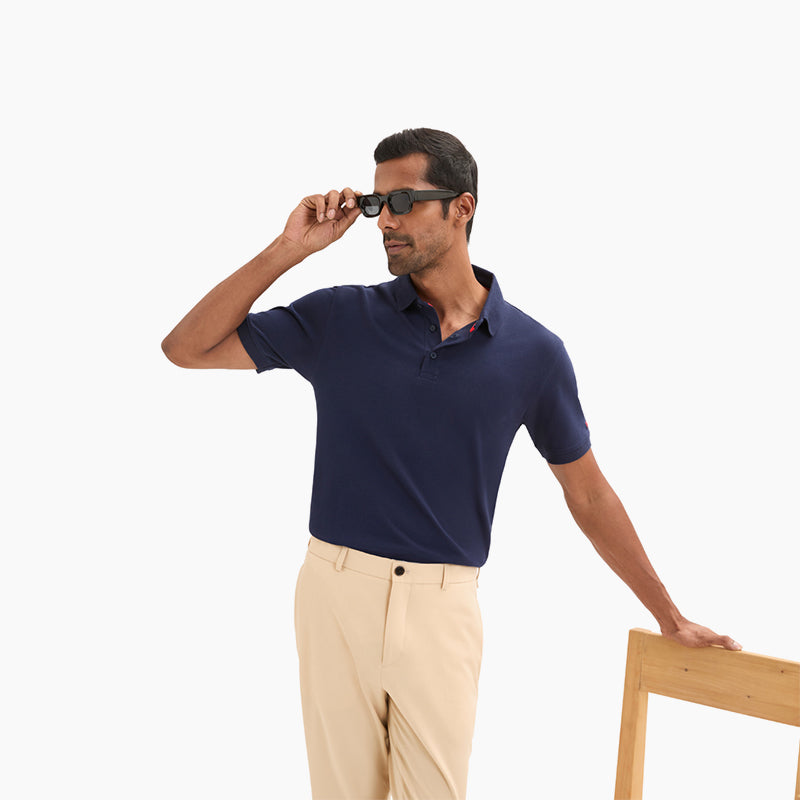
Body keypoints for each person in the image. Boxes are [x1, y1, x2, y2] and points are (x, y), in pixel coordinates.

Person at [161, 128, 741, 800]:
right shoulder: (340, 317)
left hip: (442, 610)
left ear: (462, 207)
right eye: (377, 204)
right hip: (333, 594)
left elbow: (588, 495)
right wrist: (289, 249)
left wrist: (668, 614)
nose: (386, 220)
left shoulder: (533, 352)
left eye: (404, 201)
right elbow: (186, 347)